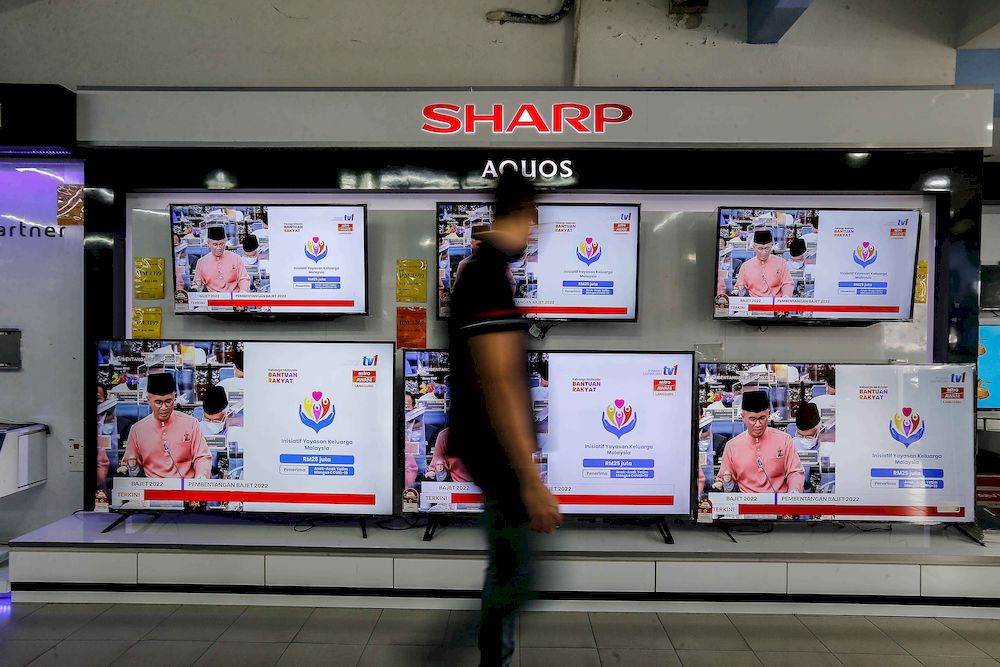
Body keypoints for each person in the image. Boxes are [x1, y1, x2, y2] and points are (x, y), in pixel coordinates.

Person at [448, 171, 561, 667]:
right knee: (518, 573)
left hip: (485, 445)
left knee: (511, 567)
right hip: (496, 450)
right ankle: (464, 654)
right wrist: (530, 478)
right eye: (536, 222)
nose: (535, 233)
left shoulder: (480, 271)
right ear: (527, 214)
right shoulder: (487, 275)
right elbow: (501, 384)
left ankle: (489, 654)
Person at [119, 372, 211, 479]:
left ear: (174, 397)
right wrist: (126, 469)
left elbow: (202, 456)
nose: (164, 407)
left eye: (168, 401)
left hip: (185, 490)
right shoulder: (137, 430)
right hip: (153, 490)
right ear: (148, 400)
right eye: (158, 402)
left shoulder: (191, 423)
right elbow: (129, 462)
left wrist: (201, 476)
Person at [716, 390, 804, 494]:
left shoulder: (784, 440)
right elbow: (724, 478)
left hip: (778, 504)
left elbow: (795, 471)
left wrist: (794, 491)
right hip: (747, 505)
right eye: (752, 419)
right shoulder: (732, 446)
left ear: (768, 414)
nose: (758, 424)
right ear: (743, 418)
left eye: (762, 418)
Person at [454, 222, 517, 294]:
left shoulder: (464, 264)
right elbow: (512, 283)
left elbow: (456, 289)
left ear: (472, 242)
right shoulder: (499, 262)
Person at [733, 228, 793, 298]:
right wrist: (739, 290)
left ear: (771, 246)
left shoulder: (781, 263)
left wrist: (786, 296)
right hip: (754, 304)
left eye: (767, 248)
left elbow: (787, 283)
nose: (764, 252)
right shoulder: (746, 266)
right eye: (760, 249)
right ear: (754, 247)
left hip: (776, 304)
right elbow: (739, 287)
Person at [192, 226, 251, 293]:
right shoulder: (202, 262)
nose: (218, 248)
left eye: (221, 244)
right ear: (208, 244)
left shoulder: (235, 258)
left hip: (233, 298)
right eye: (215, 244)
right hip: (213, 299)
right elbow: (197, 283)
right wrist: (197, 286)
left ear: (225, 242)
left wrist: (243, 292)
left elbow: (244, 278)